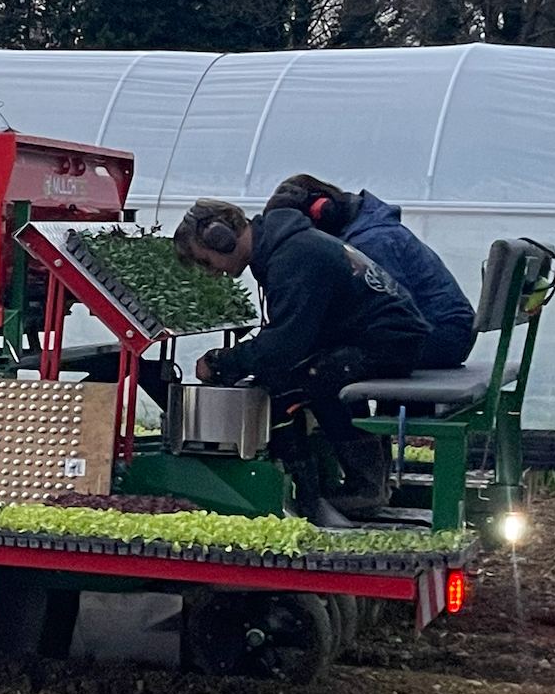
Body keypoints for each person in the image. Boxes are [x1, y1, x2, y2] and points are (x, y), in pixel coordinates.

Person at [174, 199, 429, 525]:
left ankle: (359, 489)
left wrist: (223, 362)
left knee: (313, 377)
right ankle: (350, 483)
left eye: (205, 260)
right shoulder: (287, 249)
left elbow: (284, 346)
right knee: (303, 373)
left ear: (220, 238)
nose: (212, 271)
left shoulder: (293, 258)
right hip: (382, 339)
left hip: (390, 343)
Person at [266, 174, 476, 369]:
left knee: (330, 363)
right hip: (445, 330)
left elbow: (397, 315)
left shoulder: (370, 242)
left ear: (321, 213)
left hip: (442, 337)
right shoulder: (368, 230)